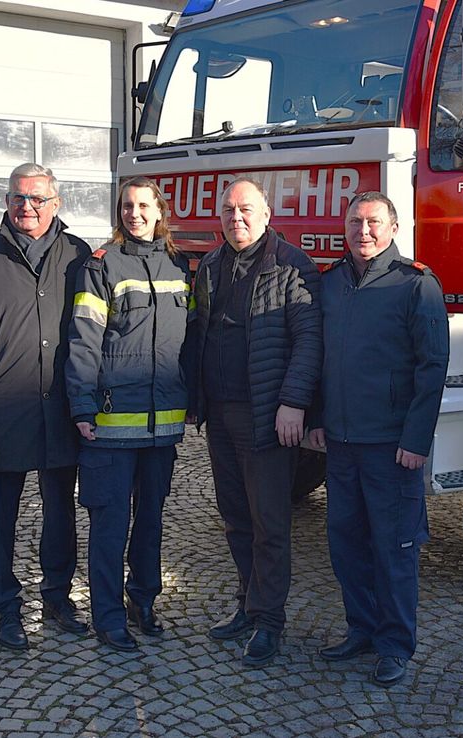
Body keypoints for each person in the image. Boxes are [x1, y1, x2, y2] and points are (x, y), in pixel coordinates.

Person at [0, 163, 94, 651]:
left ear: (57, 203)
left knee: (60, 511)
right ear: (5, 202)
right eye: (17, 198)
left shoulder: (78, 254)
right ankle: (4, 606)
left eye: (36, 199)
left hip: (60, 407)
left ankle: (57, 597)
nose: (26, 207)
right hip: (1, 408)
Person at [308, 191, 448, 687]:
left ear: (392, 227)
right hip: (342, 441)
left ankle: (395, 643)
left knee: (395, 546)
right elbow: (320, 358)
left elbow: (433, 369)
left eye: (371, 223)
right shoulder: (330, 283)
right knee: (346, 542)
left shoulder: (416, 284)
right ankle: (361, 628)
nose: (361, 232)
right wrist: (318, 417)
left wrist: (417, 439)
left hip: (392, 445)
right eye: (353, 223)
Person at [188, 178, 322, 666]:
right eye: (227, 210)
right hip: (220, 415)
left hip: (266, 415)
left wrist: (293, 401)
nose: (235, 218)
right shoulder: (210, 264)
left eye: (246, 210)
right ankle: (248, 603)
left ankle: (269, 621)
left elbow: (309, 339)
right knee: (235, 517)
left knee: (270, 523)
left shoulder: (291, 264)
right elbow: (196, 335)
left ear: (267, 214)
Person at [65, 177, 192, 653]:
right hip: (112, 424)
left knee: (151, 523)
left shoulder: (180, 267)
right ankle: (109, 617)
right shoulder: (101, 266)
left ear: (160, 211)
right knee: (110, 525)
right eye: (126, 206)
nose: (134, 213)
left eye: (143, 205)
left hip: (163, 428)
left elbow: (190, 342)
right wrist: (81, 404)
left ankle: (144, 602)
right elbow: (83, 341)